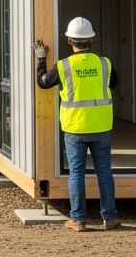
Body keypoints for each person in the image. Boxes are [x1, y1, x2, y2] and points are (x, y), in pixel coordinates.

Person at [35, 17, 119, 232]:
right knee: (104, 172)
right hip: (101, 127)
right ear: (90, 40)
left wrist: (41, 59)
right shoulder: (104, 63)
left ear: (69, 41)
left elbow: (43, 82)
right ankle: (110, 218)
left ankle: (78, 220)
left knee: (76, 173)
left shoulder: (63, 66)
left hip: (75, 128)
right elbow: (114, 83)